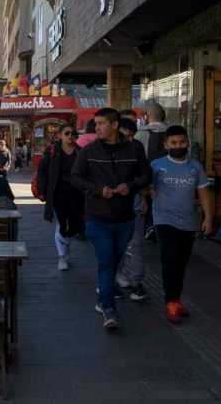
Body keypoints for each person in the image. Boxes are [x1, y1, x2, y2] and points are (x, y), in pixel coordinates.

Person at [69, 107, 151, 331]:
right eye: (96, 124)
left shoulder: (134, 148)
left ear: (115, 125)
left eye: (101, 123)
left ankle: (104, 296)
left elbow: (146, 175)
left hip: (125, 217)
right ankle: (108, 307)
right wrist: (98, 190)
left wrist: (130, 186)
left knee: (114, 260)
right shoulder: (89, 151)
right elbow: (75, 177)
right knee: (106, 261)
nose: (97, 128)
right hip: (97, 216)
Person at [151, 126, 213, 324]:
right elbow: (146, 187)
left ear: (187, 143)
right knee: (170, 259)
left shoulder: (196, 167)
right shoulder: (156, 165)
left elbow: (203, 193)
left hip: (188, 221)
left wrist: (208, 218)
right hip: (164, 220)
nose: (178, 146)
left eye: (182, 142)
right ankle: (170, 302)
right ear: (166, 145)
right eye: (174, 143)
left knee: (181, 262)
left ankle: (176, 300)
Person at [36, 124, 84, 271]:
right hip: (57, 194)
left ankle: (65, 247)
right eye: (67, 133)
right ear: (60, 135)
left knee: (74, 225)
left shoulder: (81, 152)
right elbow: (42, 171)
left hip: (76, 194)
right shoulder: (52, 151)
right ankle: (62, 256)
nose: (70, 136)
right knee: (61, 224)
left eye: (73, 134)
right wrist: (42, 190)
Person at [116, 118, 149, 301]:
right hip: (111, 205)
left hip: (133, 201)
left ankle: (136, 281)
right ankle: (113, 278)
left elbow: (143, 174)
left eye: (131, 136)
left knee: (135, 243)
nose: (128, 139)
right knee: (114, 243)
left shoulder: (136, 147)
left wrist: (143, 195)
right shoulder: (103, 148)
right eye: (125, 135)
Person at [134, 102, 169, 242]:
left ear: (146, 116)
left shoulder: (141, 134)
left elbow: (136, 160)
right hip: (171, 176)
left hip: (149, 177)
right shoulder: (173, 132)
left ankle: (151, 227)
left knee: (148, 203)